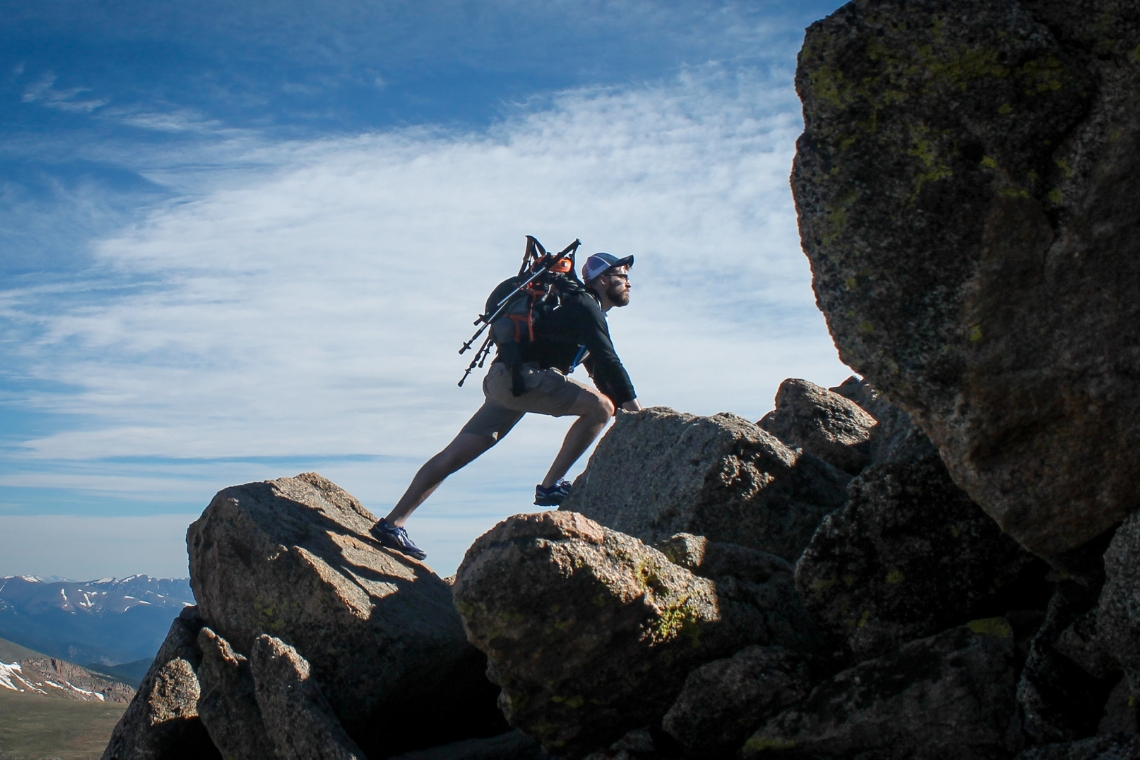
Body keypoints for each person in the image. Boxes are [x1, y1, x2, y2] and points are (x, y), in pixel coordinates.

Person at [372, 251, 643, 560]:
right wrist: (638, 415)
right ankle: (550, 486)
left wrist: (629, 411)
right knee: (600, 408)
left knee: (454, 455)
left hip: (507, 380)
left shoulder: (580, 307)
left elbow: (600, 370)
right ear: (603, 279)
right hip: (521, 380)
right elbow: (610, 361)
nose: (629, 283)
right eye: (623, 277)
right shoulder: (584, 305)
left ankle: (392, 523)